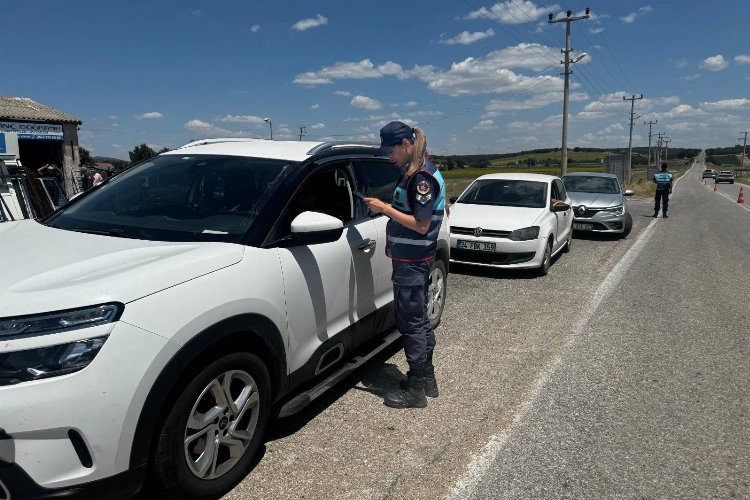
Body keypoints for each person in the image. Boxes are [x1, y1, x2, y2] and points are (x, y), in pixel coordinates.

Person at [364, 121, 446, 409]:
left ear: (405, 145)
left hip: (412, 261)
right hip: (413, 260)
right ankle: (427, 379)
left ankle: (416, 390)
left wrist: (384, 209)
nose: (389, 156)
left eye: (392, 151)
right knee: (420, 321)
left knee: (411, 324)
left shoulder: (421, 178)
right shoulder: (417, 171)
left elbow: (421, 225)